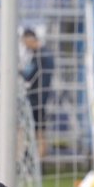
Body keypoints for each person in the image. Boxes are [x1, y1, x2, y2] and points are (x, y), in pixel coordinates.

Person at [20, 28, 54, 158]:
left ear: (30, 39)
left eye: (24, 42)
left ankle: (29, 159)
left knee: (29, 129)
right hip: (42, 98)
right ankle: (38, 160)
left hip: (36, 99)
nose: (24, 45)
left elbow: (28, 75)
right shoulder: (46, 54)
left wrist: (17, 70)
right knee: (40, 130)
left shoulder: (40, 55)